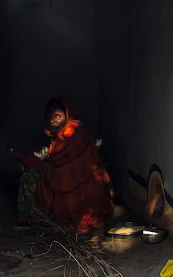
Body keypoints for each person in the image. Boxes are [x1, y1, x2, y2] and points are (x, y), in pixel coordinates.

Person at [9, 97, 114, 232]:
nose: (52, 120)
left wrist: (24, 158)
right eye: (49, 116)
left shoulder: (73, 133)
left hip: (81, 198)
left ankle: (44, 217)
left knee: (30, 175)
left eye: (58, 116)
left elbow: (59, 173)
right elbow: (56, 168)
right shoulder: (62, 136)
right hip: (73, 190)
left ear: (68, 115)